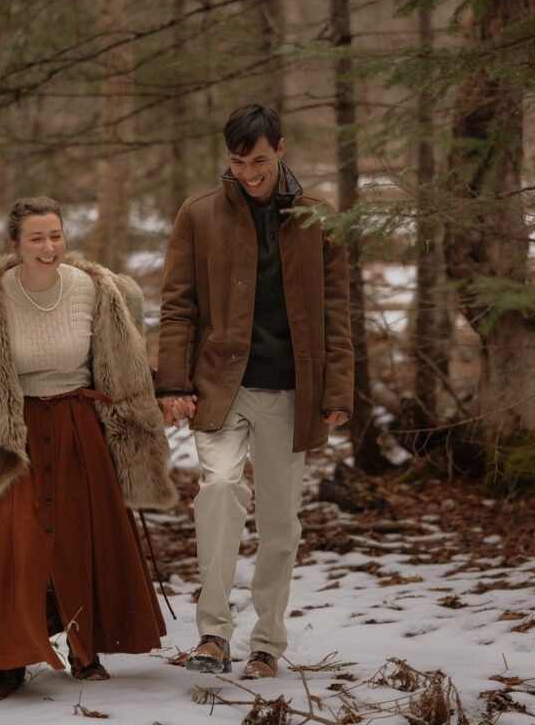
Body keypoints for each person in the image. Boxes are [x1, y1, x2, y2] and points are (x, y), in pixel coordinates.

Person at [0, 195, 176, 702]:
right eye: (37, 237)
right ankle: (6, 659)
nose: (49, 246)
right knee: (5, 543)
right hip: (7, 436)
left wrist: (163, 400)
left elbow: (124, 363)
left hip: (78, 428)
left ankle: (85, 648)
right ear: (14, 244)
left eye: (56, 235)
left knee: (79, 538)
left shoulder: (96, 290)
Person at [155, 104, 353, 681]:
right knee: (217, 489)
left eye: (260, 161)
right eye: (239, 162)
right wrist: (171, 382)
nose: (249, 173)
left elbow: (337, 309)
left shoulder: (318, 216)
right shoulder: (199, 214)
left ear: (281, 150)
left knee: (281, 523)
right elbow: (178, 308)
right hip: (221, 387)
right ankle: (214, 636)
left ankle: (266, 644)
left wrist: (337, 387)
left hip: (292, 389)